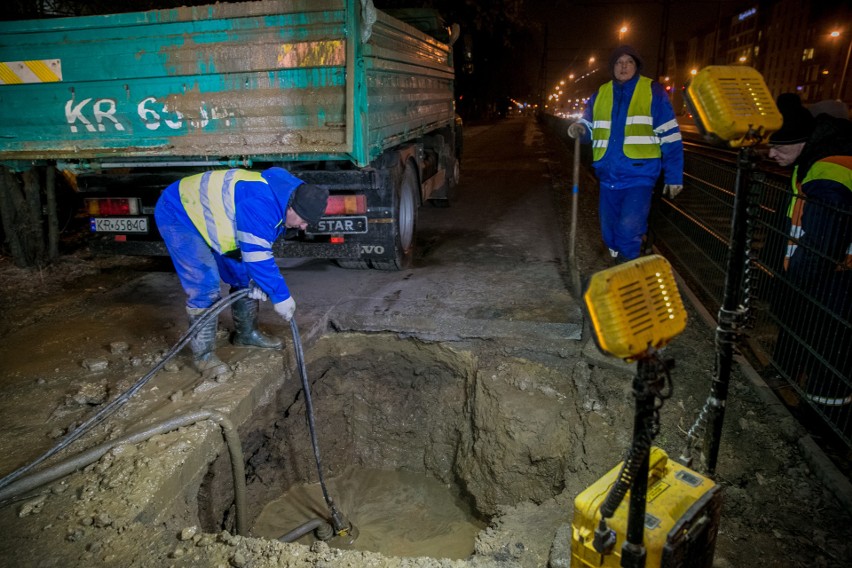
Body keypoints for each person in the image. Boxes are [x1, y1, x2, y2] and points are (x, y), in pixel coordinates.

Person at [155, 167, 329, 381]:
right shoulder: (261, 204)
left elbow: (257, 250)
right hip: (179, 212)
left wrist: (256, 278)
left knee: (243, 275)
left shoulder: (289, 195)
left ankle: (246, 335)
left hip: (213, 216)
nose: (303, 228)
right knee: (205, 285)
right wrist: (280, 296)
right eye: (302, 221)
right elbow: (258, 255)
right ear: (291, 208)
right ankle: (204, 357)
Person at [766, 93, 852, 407]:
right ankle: (789, 377)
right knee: (805, 332)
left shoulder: (829, 173)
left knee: (827, 353)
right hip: (815, 276)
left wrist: (791, 281)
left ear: (803, 139)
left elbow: (821, 246)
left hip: (834, 284)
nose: (771, 154)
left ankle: (821, 422)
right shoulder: (812, 159)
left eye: (779, 147)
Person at [568, 45, 683, 263]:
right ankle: (617, 266)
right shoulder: (600, 93)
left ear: (636, 66)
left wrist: (674, 175)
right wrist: (580, 128)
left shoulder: (652, 91)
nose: (623, 67)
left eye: (629, 62)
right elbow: (588, 123)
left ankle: (627, 272)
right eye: (619, 62)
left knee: (629, 230)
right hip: (607, 175)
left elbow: (670, 136)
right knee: (609, 232)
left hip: (639, 176)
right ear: (612, 67)